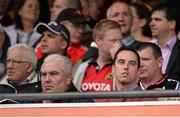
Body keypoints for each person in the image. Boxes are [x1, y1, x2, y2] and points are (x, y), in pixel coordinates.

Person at [73, 19, 123, 92]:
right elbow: (74, 95)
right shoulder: (84, 67)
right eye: (113, 40)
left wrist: (118, 60)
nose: (119, 45)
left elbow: (124, 90)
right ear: (99, 41)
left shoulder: (124, 66)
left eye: (120, 40)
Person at [149, 5, 180, 81]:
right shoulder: (147, 47)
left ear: (172, 24)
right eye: (151, 20)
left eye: (157, 20)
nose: (151, 24)